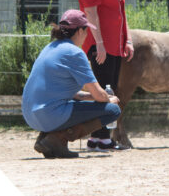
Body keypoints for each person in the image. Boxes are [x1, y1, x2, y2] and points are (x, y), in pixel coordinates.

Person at [22, 9, 122, 159]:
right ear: (80, 31)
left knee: (95, 104)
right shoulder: (74, 53)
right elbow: (99, 95)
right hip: (49, 115)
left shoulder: (50, 48)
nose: (87, 35)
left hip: (30, 115)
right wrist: (109, 99)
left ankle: (46, 138)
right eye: (86, 30)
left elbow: (73, 94)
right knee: (113, 110)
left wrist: (94, 97)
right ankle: (57, 138)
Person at [77, 0, 136, 151]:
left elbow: (121, 12)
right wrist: (99, 43)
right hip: (99, 44)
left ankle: (103, 137)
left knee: (111, 91)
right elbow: (90, 11)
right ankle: (97, 137)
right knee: (102, 90)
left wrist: (127, 39)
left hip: (115, 44)